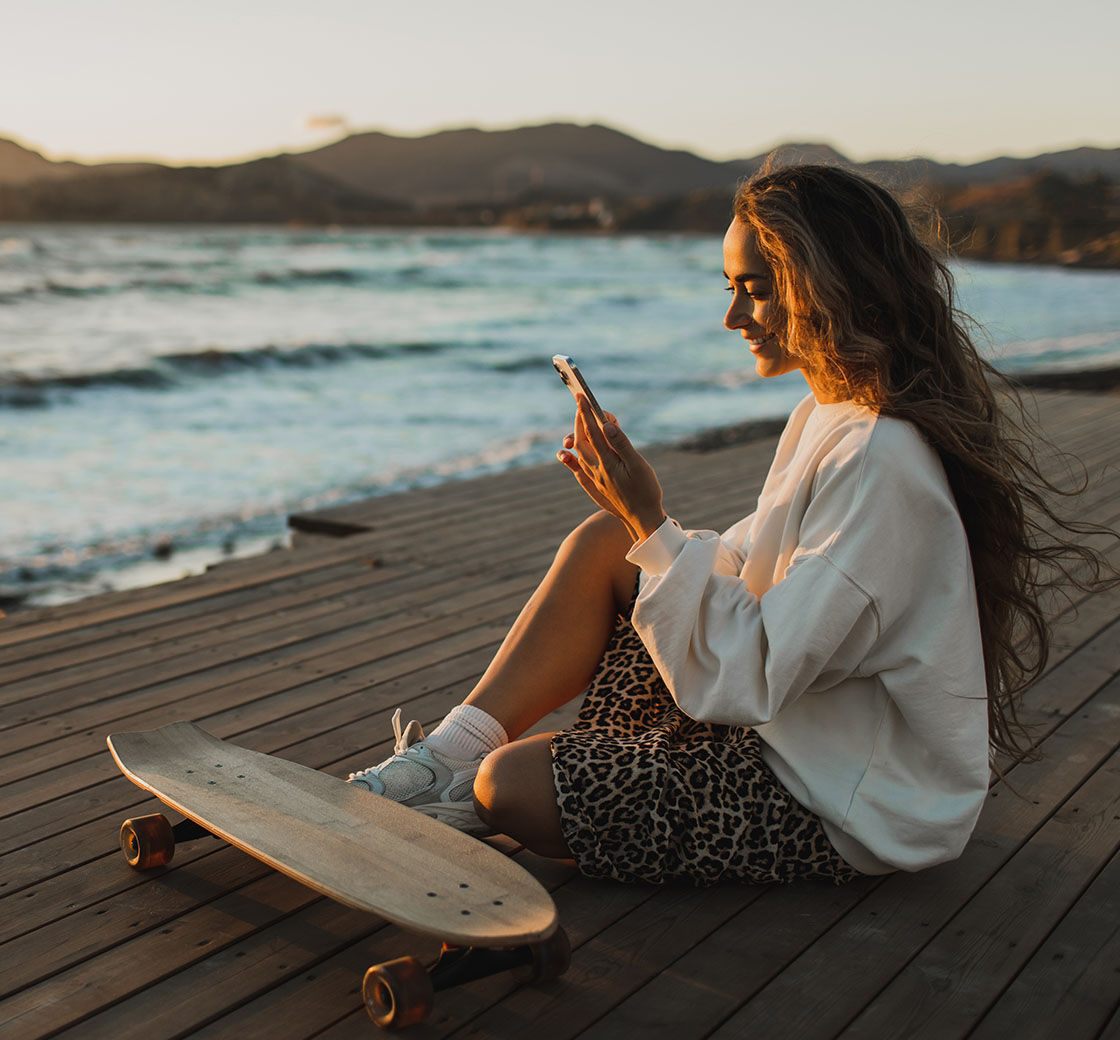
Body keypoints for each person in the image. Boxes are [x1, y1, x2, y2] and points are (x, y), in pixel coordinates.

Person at [348, 164, 1111, 885]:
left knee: (509, 785)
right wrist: (635, 521)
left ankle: (467, 785)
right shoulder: (829, 415)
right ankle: (442, 762)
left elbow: (754, 673)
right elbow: (745, 573)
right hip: (792, 720)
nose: (733, 315)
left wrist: (652, 515)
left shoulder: (882, 460)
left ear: (832, 287)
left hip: (845, 800)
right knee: (607, 545)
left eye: (758, 289)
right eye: (730, 287)